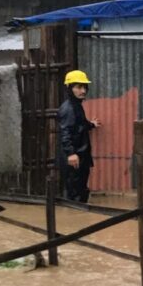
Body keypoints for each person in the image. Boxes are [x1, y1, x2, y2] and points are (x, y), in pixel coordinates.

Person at [57, 69, 96, 202]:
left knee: (80, 188)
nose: (83, 91)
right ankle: (74, 213)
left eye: (84, 87)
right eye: (79, 87)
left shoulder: (76, 106)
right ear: (69, 88)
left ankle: (79, 211)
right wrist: (71, 153)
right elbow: (65, 132)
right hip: (75, 157)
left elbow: (80, 124)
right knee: (74, 193)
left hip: (80, 155)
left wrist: (91, 124)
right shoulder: (68, 108)